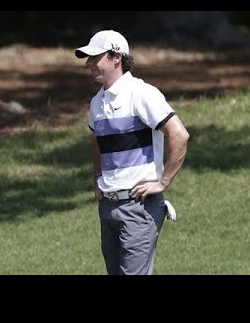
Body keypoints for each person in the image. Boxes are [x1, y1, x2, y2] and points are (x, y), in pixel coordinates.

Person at [75, 30, 190, 275]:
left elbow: (179, 135)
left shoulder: (142, 94)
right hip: (107, 206)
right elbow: (96, 142)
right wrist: (98, 178)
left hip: (139, 207)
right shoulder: (97, 102)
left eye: (95, 57)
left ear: (116, 57)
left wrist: (163, 182)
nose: (88, 64)